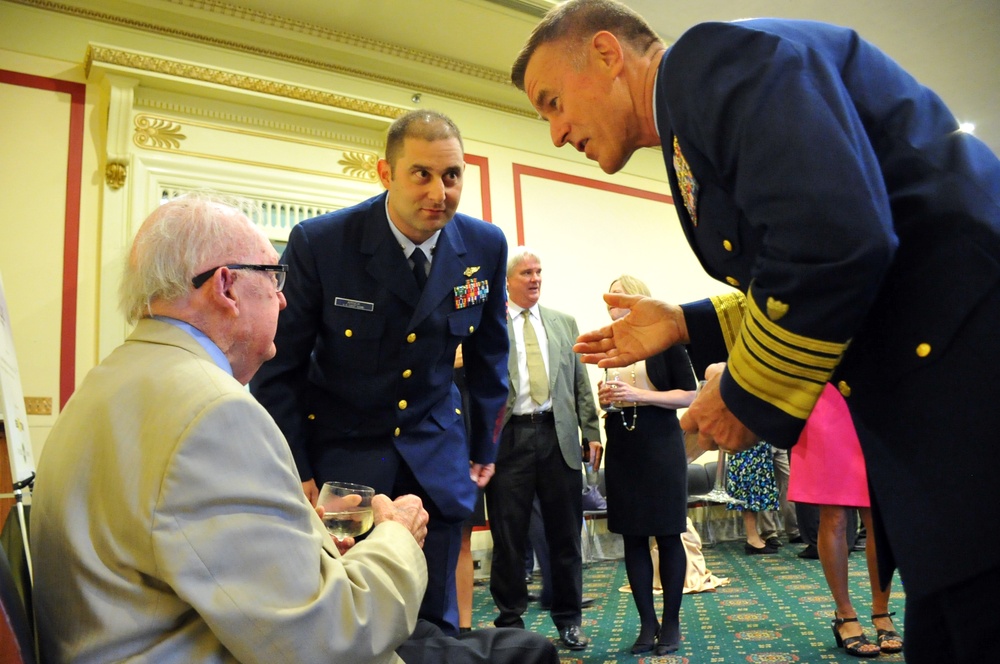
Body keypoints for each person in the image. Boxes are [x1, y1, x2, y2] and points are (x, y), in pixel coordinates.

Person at [512, 2, 1000, 660]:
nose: (556, 132)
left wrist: (743, 395)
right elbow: (795, 266)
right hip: (939, 388)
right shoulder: (691, 115)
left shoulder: (714, 62)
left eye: (552, 102)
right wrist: (685, 323)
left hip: (969, 380)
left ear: (606, 54)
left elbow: (837, 244)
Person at [29, 193, 558, 664]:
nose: (284, 298)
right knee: (527, 651)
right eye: (273, 278)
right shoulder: (215, 413)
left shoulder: (105, 383)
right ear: (226, 287)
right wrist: (396, 535)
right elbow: (326, 637)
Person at [251, 110, 509, 635]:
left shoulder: (483, 246)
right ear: (385, 173)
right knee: (351, 617)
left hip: (436, 462)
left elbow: (489, 355)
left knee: (434, 617)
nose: (440, 191)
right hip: (344, 467)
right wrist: (295, 467)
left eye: (453, 175)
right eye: (422, 174)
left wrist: (484, 446)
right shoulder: (322, 243)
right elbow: (279, 368)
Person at [486, 247, 601, 651]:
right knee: (509, 537)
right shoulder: (490, 323)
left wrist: (592, 431)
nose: (534, 279)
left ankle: (569, 620)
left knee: (565, 537)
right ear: (508, 279)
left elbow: (580, 382)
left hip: (558, 437)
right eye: (525, 273)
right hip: (509, 440)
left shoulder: (563, 323)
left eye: (538, 272)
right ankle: (511, 622)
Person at [595, 274, 697, 656]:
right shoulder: (610, 344)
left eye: (617, 300)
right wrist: (606, 399)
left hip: (660, 444)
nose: (611, 307)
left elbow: (689, 394)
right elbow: (611, 398)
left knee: (668, 535)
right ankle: (646, 624)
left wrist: (638, 394)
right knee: (633, 537)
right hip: (623, 443)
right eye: (608, 303)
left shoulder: (665, 341)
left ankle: (670, 623)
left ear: (638, 300)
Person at [790, 383, 902, 658]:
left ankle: (881, 611)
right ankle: (845, 615)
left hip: (876, 397)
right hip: (824, 398)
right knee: (835, 513)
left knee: (877, 515)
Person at [726, 441, 780, 555]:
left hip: (756, 449)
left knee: (755, 495)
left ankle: (754, 536)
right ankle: (752, 539)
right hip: (746, 448)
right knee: (749, 494)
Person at [758, 446, 800, 548]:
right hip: (760, 443)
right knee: (764, 487)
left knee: (788, 485)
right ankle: (769, 533)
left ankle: (794, 530)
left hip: (779, 444)